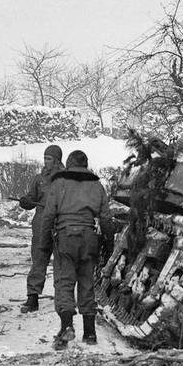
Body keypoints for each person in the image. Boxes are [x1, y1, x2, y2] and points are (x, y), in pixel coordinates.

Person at [38, 149, 112, 349]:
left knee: (64, 282)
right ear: (86, 165)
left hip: (65, 237)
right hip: (89, 238)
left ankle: (67, 328)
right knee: (87, 282)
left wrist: (44, 243)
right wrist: (109, 242)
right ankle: (90, 333)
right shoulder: (97, 186)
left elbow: (48, 216)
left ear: (69, 164)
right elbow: (105, 217)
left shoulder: (59, 183)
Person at [18, 144, 64, 314]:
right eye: (44, 158)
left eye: (49, 159)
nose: (46, 162)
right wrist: (26, 201)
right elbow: (32, 198)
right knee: (38, 258)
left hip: (60, 222)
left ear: (57, 160)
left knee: (61, 261)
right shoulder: (38, 179)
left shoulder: (66, 179)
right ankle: (32, 297)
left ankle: (62, 298)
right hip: (41, 224)